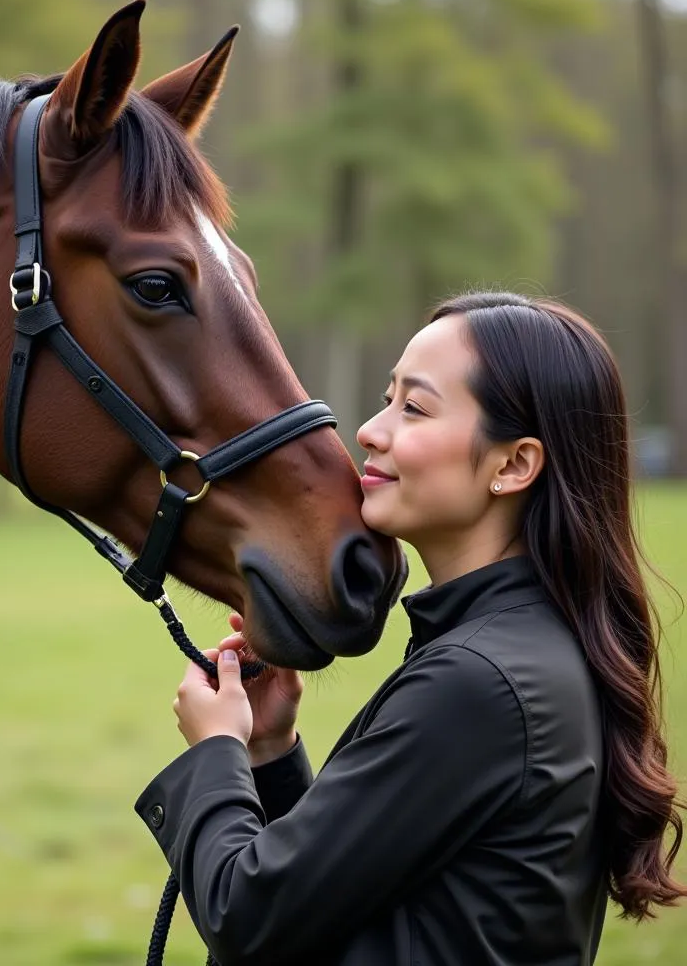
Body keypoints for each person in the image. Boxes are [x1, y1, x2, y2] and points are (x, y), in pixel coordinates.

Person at [135, 291, 685, 965]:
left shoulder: (480, 684)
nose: (369, 429)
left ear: (513, 465)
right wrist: (269, 754)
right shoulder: (517, 652)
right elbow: (346, 902)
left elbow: (246, 914)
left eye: (414, 408)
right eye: (386, 397)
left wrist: (214, 751)